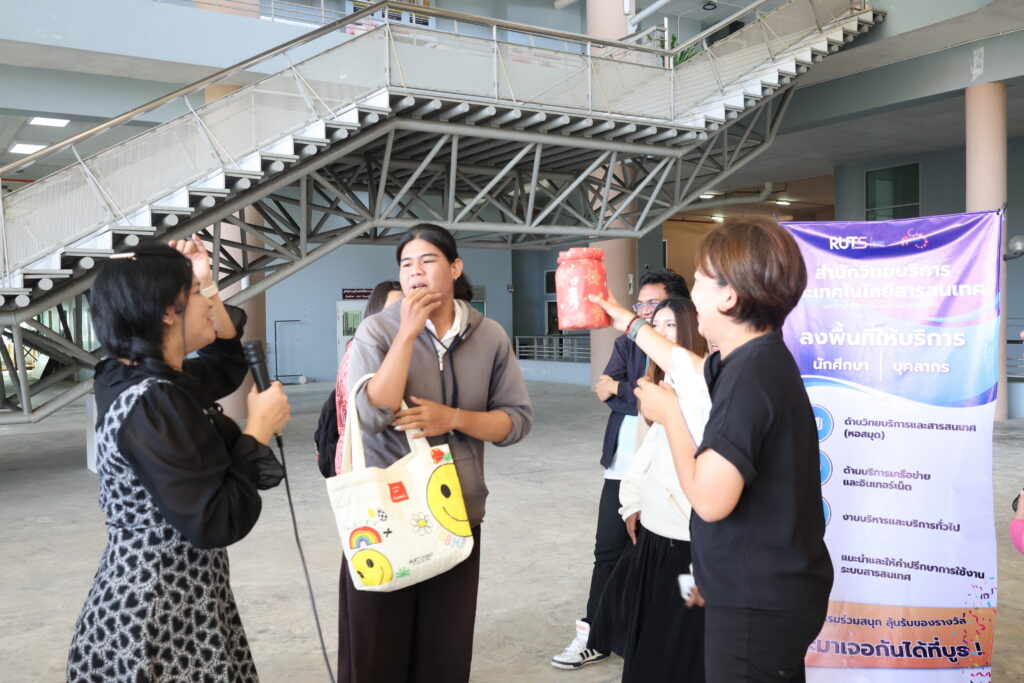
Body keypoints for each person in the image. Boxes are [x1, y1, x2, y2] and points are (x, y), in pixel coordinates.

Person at [590, 216, 834, 682]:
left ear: (728, 296)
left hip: (757, 602)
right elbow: (685, 364)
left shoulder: (751, 376)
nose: (693, 292)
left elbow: (710, 498)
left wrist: (671, 417)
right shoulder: (753, 357)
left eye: (700, 279)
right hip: (767, 590)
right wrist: (627, 321)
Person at [67, 237, 291, 682]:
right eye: (197, 294)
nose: (209, 303)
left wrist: (205, 279)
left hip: (184, 597)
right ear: (168, 312)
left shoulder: (140, 375)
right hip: (158, 613)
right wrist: (258, 430)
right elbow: (215, 520)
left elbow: (226, 361)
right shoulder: (153, 402)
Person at [340, 223, 533, 683]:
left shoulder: (490, 336)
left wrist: (454, 418)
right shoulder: (376, 331)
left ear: (455, 268)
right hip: (386, 518)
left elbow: (516, 421)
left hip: (456, 515)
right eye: (406, 264)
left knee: (444, 654)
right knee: (377, 653)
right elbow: (369, 414)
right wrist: (407, 333)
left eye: (428, 260)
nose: (416, 272)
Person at [551, 268, 689, 671]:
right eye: (640, 304)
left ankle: (641, 637)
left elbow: (652, 399)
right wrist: (632, 392)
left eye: (655, 305)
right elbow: (604, 390)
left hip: (669, 474)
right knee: (608, 551)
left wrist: (626, 390)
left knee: (656, 558)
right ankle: (593, 635)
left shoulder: (689, 356)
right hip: (622, 467)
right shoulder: (627, 342)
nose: (645, 313)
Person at [588, 297, 708, 683]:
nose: (661, 333)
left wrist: (630, 323)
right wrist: (631, 505)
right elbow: (646, 456)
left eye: (670, 325)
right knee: (646, 642)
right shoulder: (662, 386)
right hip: (654, 539)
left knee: (678, 643)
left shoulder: (707, 385)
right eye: (656, 325)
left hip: (687, 546)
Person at [320, 280, 402, 476]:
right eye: (391, 311)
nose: (399, 318)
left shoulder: (394, 353)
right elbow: (370, 416)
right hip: (365, 462)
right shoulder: (359, 356)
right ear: (374, 314)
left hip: (389, 460)